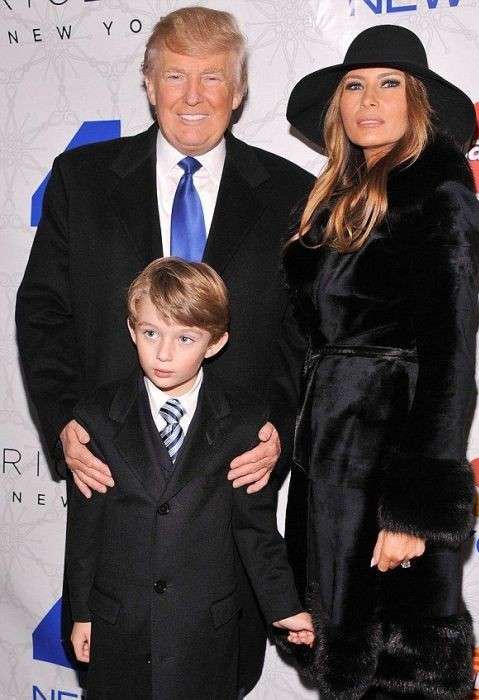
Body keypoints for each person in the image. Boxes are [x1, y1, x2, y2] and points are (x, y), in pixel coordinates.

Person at [16, 6, 313, 692]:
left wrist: (279, 425)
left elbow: (304, 332)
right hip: (113, 495)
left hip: (228, 498)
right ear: (148, 84)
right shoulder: (81, 179)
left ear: (240, 90)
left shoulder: (291, 194)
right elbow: (43, 312)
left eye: (213, 77)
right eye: (175, 75)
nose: (192, 96)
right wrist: (64, 419)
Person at [282, 25, 479, 700]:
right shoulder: (333, 206)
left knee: (399, 671)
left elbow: (450, 363)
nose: (368, 99)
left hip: (387, 467)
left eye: (388, 84)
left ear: (416, 102)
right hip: (327, 467)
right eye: (354, 85)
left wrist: (413, 513)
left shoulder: (440, 202)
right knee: (344, 662)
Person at [65, 257, 314, 700]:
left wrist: (285, 606)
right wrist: (81, 612)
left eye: (185, 338)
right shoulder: (96, 417)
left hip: (205, 635)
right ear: (131, 330)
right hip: (119, 626)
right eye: (151, 333)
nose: (163, 353)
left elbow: (256, 530)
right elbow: (86, 528)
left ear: (214, 343)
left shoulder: (245, 424)